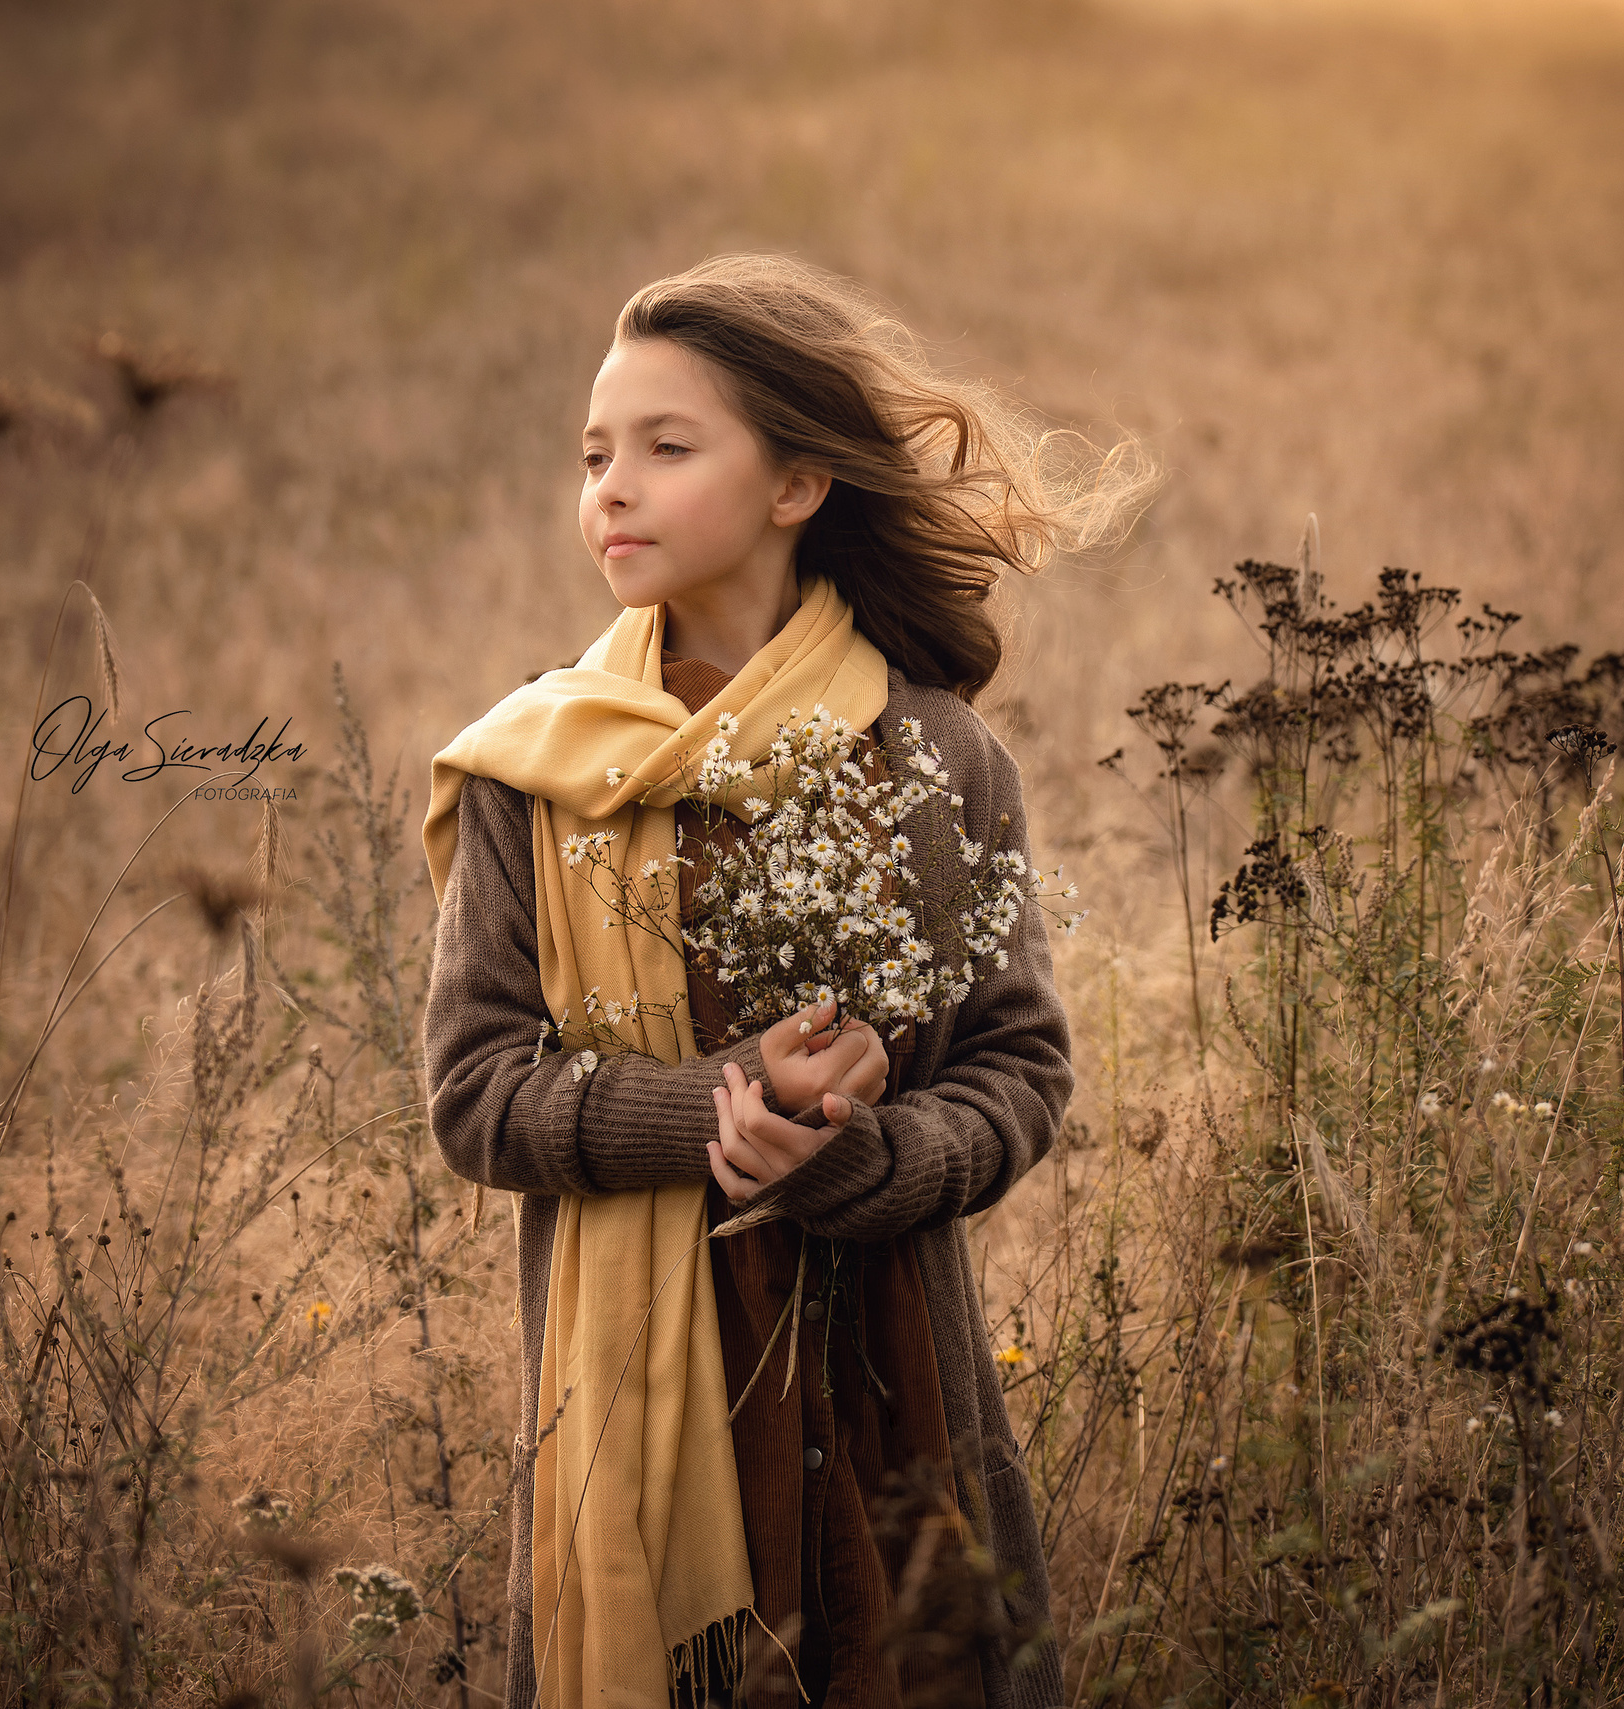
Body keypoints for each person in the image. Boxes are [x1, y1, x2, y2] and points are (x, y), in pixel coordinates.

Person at [420, 253, 1155, 1709]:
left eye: (666, 447)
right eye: (594, 455)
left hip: (901, 1410)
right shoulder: (537, 770)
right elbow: (475, 1094)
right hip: (633, 1436)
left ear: (798, 484)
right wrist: (720, 1102)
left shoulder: (936, 757)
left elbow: (1019, 1069)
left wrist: (868, 1159)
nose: (612, 490)